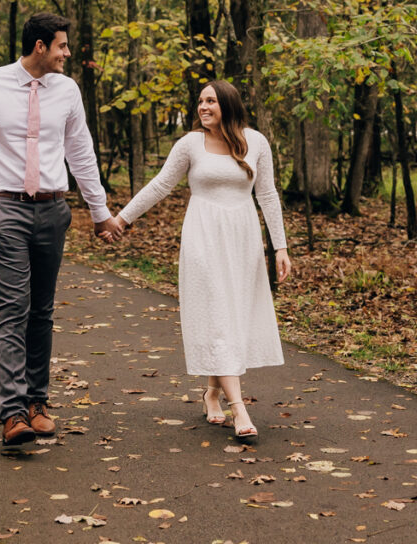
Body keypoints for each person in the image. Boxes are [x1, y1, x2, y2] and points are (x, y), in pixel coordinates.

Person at [0, 12, 123, 452]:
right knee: (13, 307)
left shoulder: (67, 91)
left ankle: (36, 402)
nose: (67, 53)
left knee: (42, 311)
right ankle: (11, 414)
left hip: (52, 210)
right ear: (40, 47)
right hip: (4, 208)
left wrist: (99, 211)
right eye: (63, 46)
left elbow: (80, 152)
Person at [111, 80, 291, 443]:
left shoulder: (255, 141)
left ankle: (212, 391)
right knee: (217, 312)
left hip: (242, 238)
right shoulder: (190, 144)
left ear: (228, 104)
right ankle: (238, 406)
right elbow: (160, 185)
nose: (203, 107)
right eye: (200, 101)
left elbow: (268, 194)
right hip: (203, 238)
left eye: (210, 101)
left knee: (230, 315)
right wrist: (121, 219)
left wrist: (280, 247)